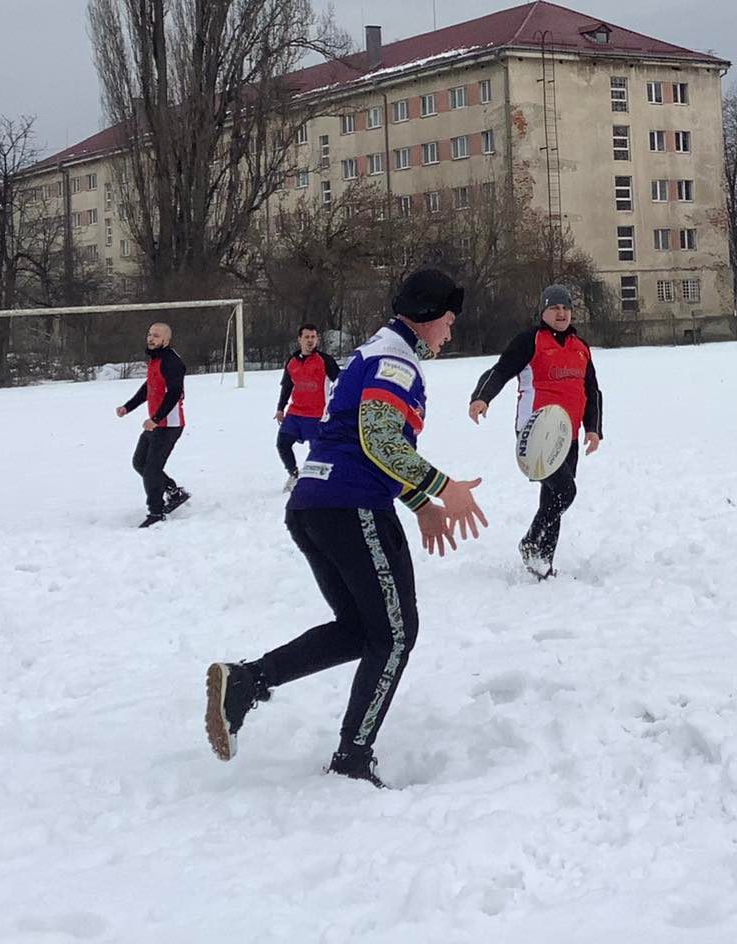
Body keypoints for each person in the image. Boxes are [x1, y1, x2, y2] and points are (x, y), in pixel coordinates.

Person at [204, 268, 487, 785]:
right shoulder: (395, 361)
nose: (450, 332)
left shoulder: (375, 350)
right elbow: (379, 440)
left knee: (362, 630)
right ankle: (353, 759)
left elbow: (358, 440)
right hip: (350, 505)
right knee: (397, 636)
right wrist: (444, 488)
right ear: (425, 318)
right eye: (447, 321)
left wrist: (421, 502)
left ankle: (247, 682)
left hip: (315, 504)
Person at [467, 283, 603, 580]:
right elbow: (500, 370)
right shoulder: (530, 340)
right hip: (535, 433)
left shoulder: (580, 347)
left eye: (566, 308)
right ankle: (531, 542)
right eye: (554, 308)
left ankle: (544, 564)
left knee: (552, 498)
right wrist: (482, 397)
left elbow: (591, 390)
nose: (561, 313)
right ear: (543, 311)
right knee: (566, 492)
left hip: (568, 435)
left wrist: (594, 429)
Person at [115, 320, 190, 528]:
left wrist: (156, 419)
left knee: (151, 469)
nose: (151, 338)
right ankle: (174, 492)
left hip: (169, 425)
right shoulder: (155, 360)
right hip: (155, 424)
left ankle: (156, 512)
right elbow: (149, 388)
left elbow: (174, 393)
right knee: (139, 462)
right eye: (149, 334)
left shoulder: (172, 362)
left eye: (156, 335)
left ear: (166, 339)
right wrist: (127, 407)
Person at [275, 323, 342, 493]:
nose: (310, 340)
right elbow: (287, 387)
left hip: (317, 415)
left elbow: (341, 383)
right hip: (295, 413)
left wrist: (341, 406)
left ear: (317, 339)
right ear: (299, 340)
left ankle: (319, 482)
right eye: (307, 337)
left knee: (318, 451)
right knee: (282, 443)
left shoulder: (325, 360)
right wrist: (280, 408)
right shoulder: (292, 361)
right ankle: (294, 474)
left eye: (313, 337)